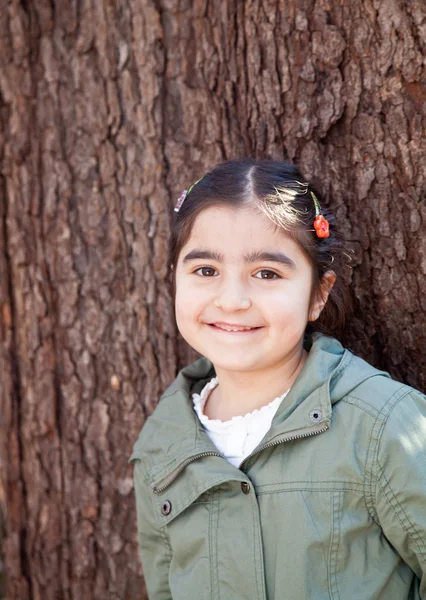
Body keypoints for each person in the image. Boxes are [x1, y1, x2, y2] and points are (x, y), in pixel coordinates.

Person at [130, 159, 426, 600]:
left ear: (317, 295)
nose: (231, 300)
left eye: (266, 274)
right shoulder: (160, 446)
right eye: (206, 271)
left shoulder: (386, 426)